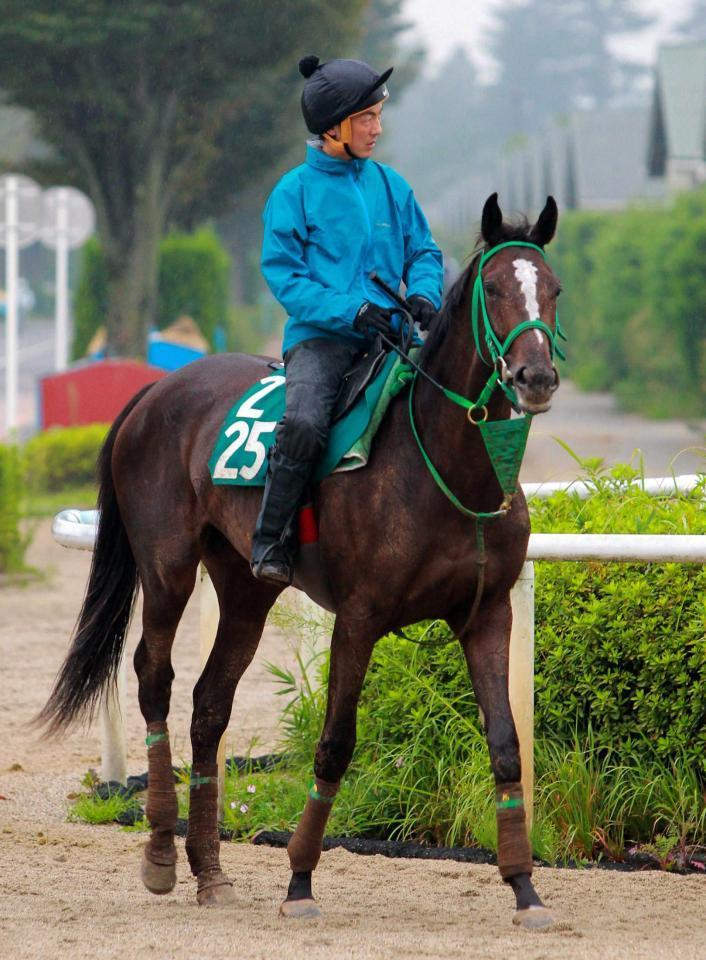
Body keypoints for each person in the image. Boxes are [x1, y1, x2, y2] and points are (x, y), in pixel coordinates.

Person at [251, 54, 444, 584]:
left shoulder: (391, 186)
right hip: (322, 342)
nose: (377, 128)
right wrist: (351, 311)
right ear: (333, 128)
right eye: (366, 119)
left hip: (393, 338)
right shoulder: (293, 192)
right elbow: (287, 278)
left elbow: (424, 251)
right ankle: (271, 539)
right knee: (307, 423)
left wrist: (425, 293)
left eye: (379, 116)